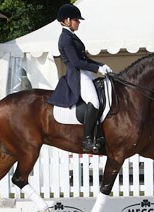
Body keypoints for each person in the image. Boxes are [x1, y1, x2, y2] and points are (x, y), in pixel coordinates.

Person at [47, 4, 113, 152]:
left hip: (85, 73)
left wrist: (102, 66)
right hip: (77, 75)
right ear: (67, 20)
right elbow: (76, 62)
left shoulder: (72, 36)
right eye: (76, 20)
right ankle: (87, 140)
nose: (79, 22)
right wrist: (97, 69)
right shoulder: (65, 38)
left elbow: (85, 59)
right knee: (94, 102)